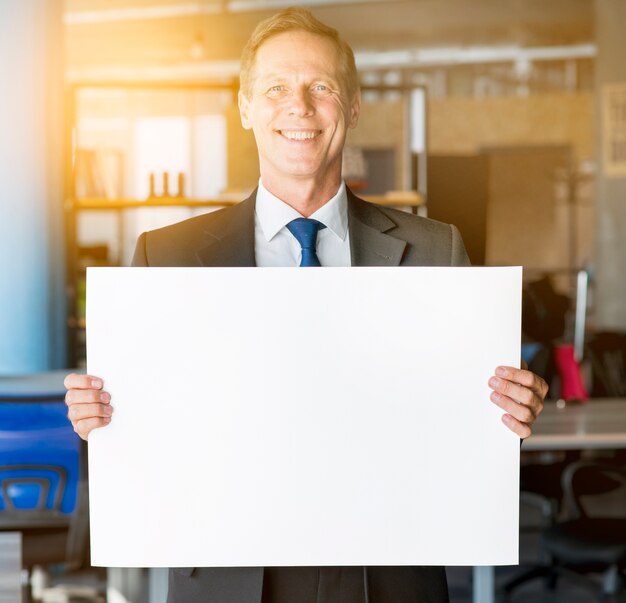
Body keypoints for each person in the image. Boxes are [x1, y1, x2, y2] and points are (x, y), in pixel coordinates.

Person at [64, 8, 547, 603]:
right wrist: (99, 419)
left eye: (321, 87)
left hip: (389, 573)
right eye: (276, 88)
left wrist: (510, 412)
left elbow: (463, 426)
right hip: (231, 573)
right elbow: (147, 430)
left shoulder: (434, 249)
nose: (300, 106)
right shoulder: (166, 257)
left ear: (353, 104)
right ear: (245, 108)